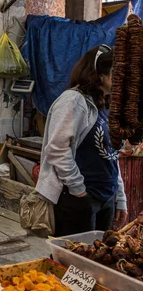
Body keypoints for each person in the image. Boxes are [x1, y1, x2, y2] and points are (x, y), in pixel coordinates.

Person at [36, 45, 128, 237]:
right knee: (73, 262)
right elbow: (57, 149)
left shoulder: (106, 104)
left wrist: (120, 196)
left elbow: (111, 156)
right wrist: (79, 191)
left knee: (97, 260)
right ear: (99, 74)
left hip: (106, 198)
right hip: (81, 198)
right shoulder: (73, 101)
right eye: (116, 72)